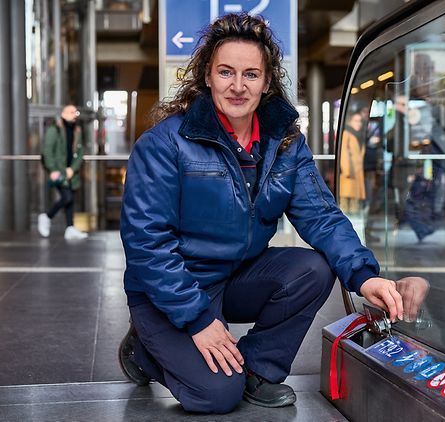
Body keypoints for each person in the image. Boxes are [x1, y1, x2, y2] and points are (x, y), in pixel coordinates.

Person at [117, 13, 405, 415]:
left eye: (251, 74)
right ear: (207, 77)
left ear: (267, 82)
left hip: (235, 276)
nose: (238, 86)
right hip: (171, 288)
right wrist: (197, 319)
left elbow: (320, 215)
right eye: (226, 72)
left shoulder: (284, 143)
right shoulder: (165, 144)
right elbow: (147, 243)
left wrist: (364, 275)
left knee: (312, 269)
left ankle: (257, 369)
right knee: (215, 395)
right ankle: (146, 350)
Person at [37, 104, 89, 240]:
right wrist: (53, 170)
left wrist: (73, 168)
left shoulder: (77, 129)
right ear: (63, 114)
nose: (74, 115)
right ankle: (47, 216)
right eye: (71, 112)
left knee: (70, 200)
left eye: (75, 112)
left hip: (71, 172)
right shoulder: (54, 129)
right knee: (67, 197)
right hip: (59, 171)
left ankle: (70, 227)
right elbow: (47, 151)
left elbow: (80, 151)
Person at [339, 110, 366, 214]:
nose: (358, 123)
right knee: (346, 202)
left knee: (355, 202)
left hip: (357, 172)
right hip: (349, 172)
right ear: (349, 122)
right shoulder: (347, 134)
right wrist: (347, 171)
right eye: (355, 121)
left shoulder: (358, 135)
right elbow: (343, 153)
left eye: (360, 121)